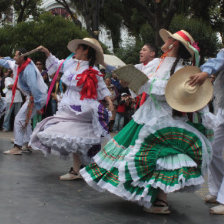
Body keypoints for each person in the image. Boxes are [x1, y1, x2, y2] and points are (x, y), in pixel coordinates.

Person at [80, 29, 213, 214]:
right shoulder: (158, 63)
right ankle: (148, 195)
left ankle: (161, 201)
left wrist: (145, 84)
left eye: (170, 39)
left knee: (163, 157)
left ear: (174, 44)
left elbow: (169, 91)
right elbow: (140, 80)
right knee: (143, 157)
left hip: (167, 118)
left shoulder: (184, 68)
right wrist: (129, 81)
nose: (165, 41)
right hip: (147, 115)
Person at [30, 38, 113, 181]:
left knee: (78, 138)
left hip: (83, 107)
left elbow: (101, 87)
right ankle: (80, 169)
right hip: (68, 104)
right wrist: (47, 52)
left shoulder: (92, 70)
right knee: (70, 135)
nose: (76, 50)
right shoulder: (69, 63)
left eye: (79, 48)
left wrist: (110, 103)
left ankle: (78, 170)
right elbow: (55, 65)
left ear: (86, 50)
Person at [189, 48, 224, 215]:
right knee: (213, 150)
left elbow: (216, 62)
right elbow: (216, 60)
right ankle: (217, 191)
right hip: (222, 109)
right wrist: (203, 71)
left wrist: (205, 72)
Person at [1, 48, 48, 155]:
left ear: (22, 57)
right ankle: (28, 143)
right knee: (25, 121)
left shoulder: (28, 70)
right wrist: (2, 58)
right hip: (34, 96)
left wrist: (37, 104)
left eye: (16, 55)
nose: (14, 57)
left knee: (19, 119)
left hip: (36, 97)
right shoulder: (18, 64)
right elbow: (6, 62)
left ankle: (17, 146)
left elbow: (34, 89)